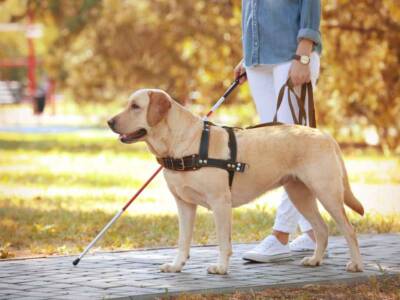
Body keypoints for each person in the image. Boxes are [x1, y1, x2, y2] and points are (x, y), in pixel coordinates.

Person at [234, 0, 322, 262]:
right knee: (273, 149)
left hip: (291, 57)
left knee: (291, 150)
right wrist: (251, 54)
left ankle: (280, 235)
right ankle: (312, 233)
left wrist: (304, 54)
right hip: (260, 62)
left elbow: (310, 4)